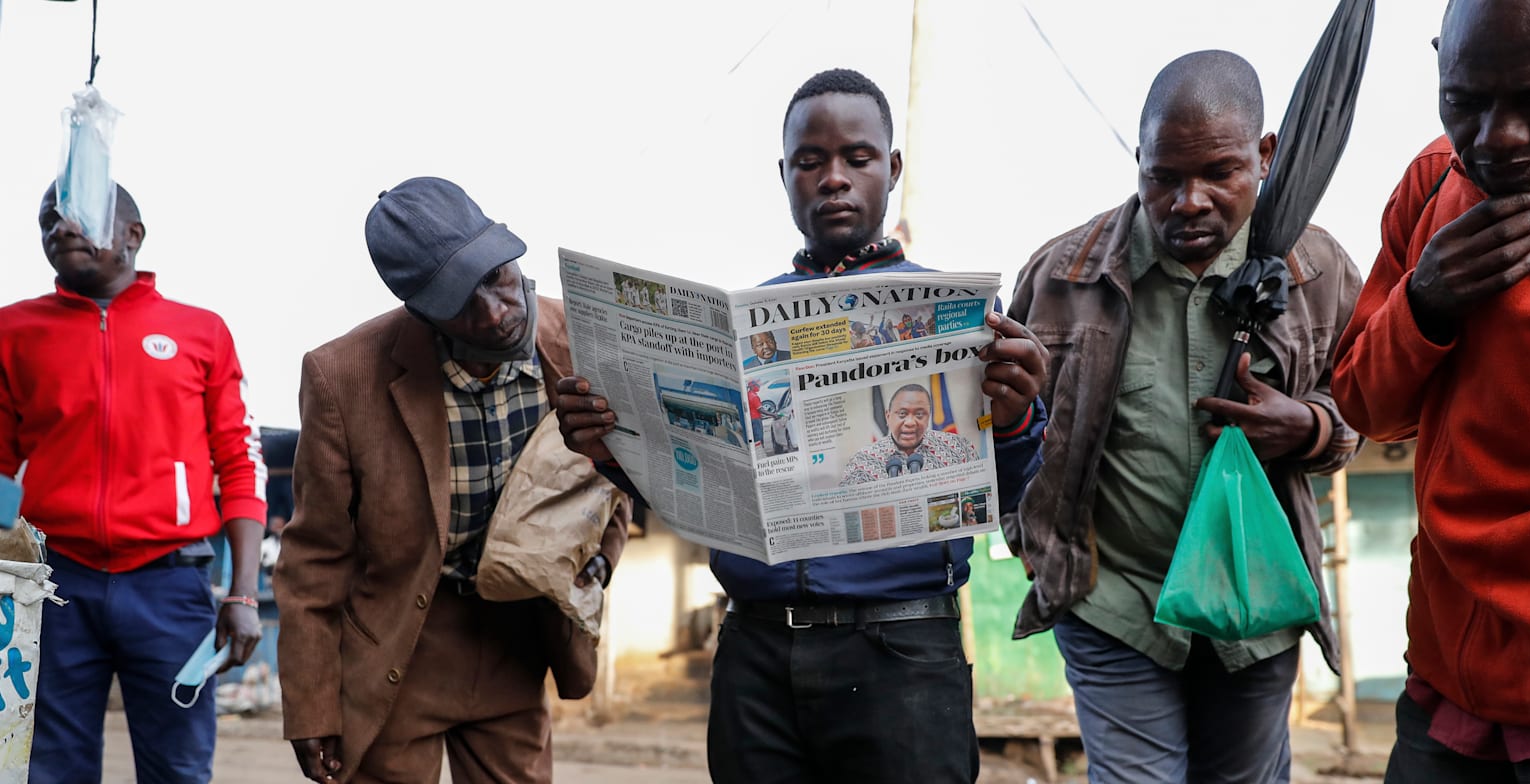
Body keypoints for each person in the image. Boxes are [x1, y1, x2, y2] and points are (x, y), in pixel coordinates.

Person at [555, 68, 1048, 783]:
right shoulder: (742, 326)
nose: (834, 178)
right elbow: (686, 484)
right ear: (783, 175)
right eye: (810, 162)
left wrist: (1014, 418)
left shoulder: (967, 323)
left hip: (904, 654)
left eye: (857, 157)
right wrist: (608, 446)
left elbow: (1016, 492)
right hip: (756, 657)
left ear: (893, 167)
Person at [1005, 51, 1363, 783]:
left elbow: (1374, 409)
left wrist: (1313, 427)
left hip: (1257, 613)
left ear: (1265, 157)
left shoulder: (1318, 272)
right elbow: (1006, 431)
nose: (1188, 201)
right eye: (1163, 177)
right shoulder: (1061, 276)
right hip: (1114, 604)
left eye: (1219, 173)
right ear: (1138, 161)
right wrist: (1033, 540)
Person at [274, 177, 628, 783]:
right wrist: (310, 704)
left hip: (520, 639)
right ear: (418, 311)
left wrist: (598, 564)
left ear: (509, 251)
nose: (494, 313)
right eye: (460, 301)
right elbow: (315, 557)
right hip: (398, 648)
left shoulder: (582, 342)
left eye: (496, 277)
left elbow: (613, 484)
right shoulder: (341, 377)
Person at [1331, 1, 1530, 778]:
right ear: (1439, 62)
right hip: (1447, 681)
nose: (1498, 138)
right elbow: (1362, 405)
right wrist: (1424, 303)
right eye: (1467, 101)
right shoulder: (1429, 184)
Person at [0, 183, 267, 783]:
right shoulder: (12, 332)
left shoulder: (201, 332)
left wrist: (243, 594)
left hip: (169, 585)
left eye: (80, 218)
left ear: (132, 236)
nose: (61, 230)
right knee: (47, 768)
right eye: (48, 221)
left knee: (177, 768)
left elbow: (240, 463)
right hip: (53, 587)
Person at [839, 383, 977, 485]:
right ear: (888, 416)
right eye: (902, 414)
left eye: (919, 414)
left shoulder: (959, 447)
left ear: (928, 416)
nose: (910, 422)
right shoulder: (861, 462)